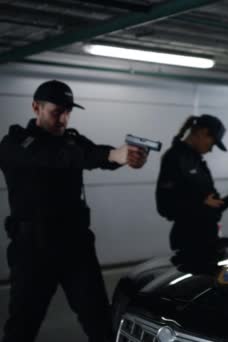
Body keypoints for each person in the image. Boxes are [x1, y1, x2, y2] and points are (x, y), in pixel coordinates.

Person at [0, 80, 148, 342]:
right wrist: (113, 155)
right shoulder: (16, 143)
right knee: (22, 326)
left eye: (68, 111)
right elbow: (54, 157)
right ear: (36, 107)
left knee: (99, 320)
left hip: (75, 246)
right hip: (33, 249)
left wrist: (125, 157)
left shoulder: (71, 140)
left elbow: (90, 153)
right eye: (57, 111)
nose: (63, 119)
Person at [155, 114, 228, 271]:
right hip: (190, 244)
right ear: (202, 132)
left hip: (209, 242)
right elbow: (165, 206)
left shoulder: (197, 161)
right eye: (212, 143)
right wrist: (199, 203)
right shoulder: (174, 158)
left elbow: (212, 206)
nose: (211, 149)